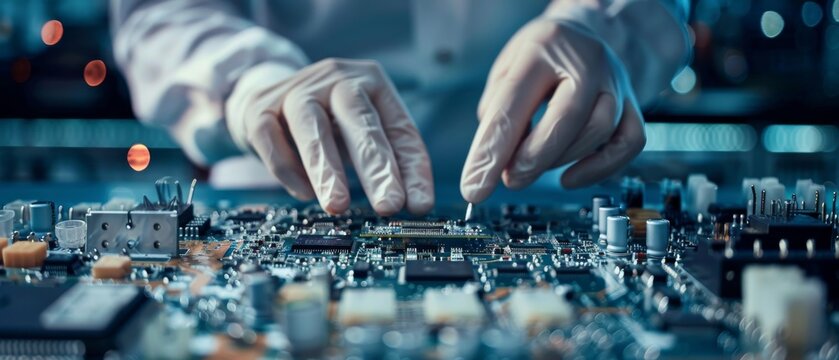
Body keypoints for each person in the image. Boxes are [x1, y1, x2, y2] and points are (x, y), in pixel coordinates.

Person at [111, 0, 690, 215]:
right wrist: (250, 81)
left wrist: (597, 24)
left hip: (553, 176)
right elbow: (156, 13)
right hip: (284, 184)